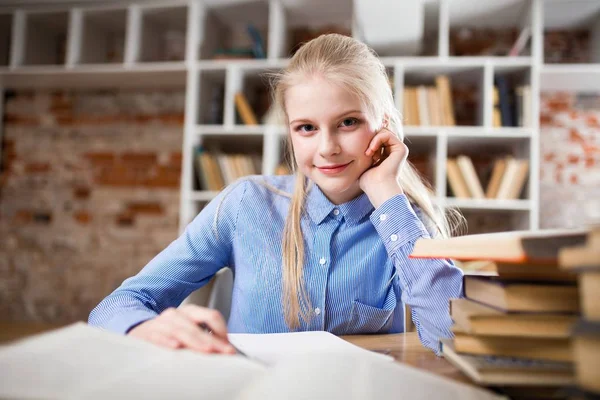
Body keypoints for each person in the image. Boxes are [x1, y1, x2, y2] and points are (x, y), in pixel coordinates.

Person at [89, 33, 464, 355]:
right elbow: (116, 306)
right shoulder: (245, 205)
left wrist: (385, 191)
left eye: (348, 122)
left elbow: (451, 338)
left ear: (382, 125)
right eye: (306, 128)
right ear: (289, 131)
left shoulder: (405, 222)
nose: (327, 147)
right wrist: (145, 328)